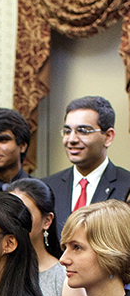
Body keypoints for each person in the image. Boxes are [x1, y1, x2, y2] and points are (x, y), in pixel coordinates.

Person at [43, 95, 130, 234]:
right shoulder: (47, 187)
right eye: (67, 131)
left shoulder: (126, 185)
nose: (71, 139)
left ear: (108, 137)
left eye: (83, 131)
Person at [7, 177, 85, 296]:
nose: (15, 221)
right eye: (9, 213)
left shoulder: (66, 277)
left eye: (24, 213)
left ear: (47, 221)